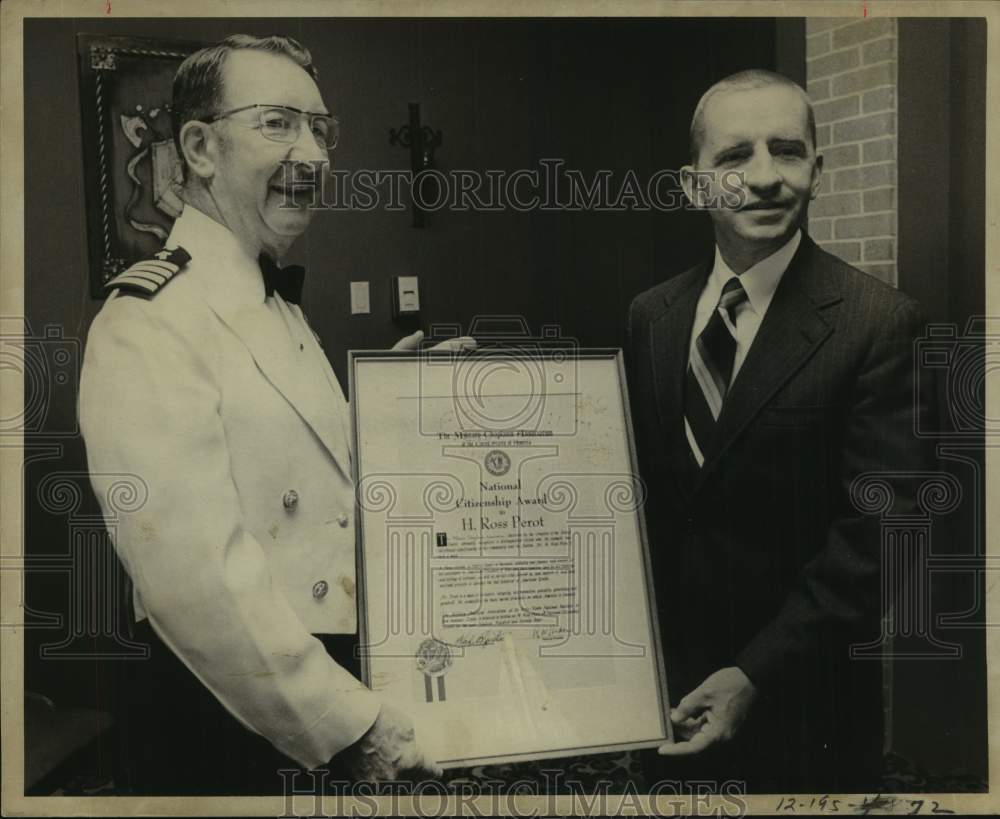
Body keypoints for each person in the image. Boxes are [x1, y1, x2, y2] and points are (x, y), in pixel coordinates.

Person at [79, 34, 467, 795]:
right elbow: (194, 579)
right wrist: (345, 721)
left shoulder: (274, 304)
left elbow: (303, 476)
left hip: (324, 673)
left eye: (321, 129)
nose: (313, 153)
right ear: (198, 147)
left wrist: (396, 410)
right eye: (278, 123)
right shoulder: (145, 321)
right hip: (235, 719)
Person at [626, 70, 936, 792]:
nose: (763, 177)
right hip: (664, 696)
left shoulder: (878, 323)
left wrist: (753, 674)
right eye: (734, 157)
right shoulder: (652, 315)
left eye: (787, 151)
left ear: (817, 171)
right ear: (694, 183)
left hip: (805, 707)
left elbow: (879, 540)